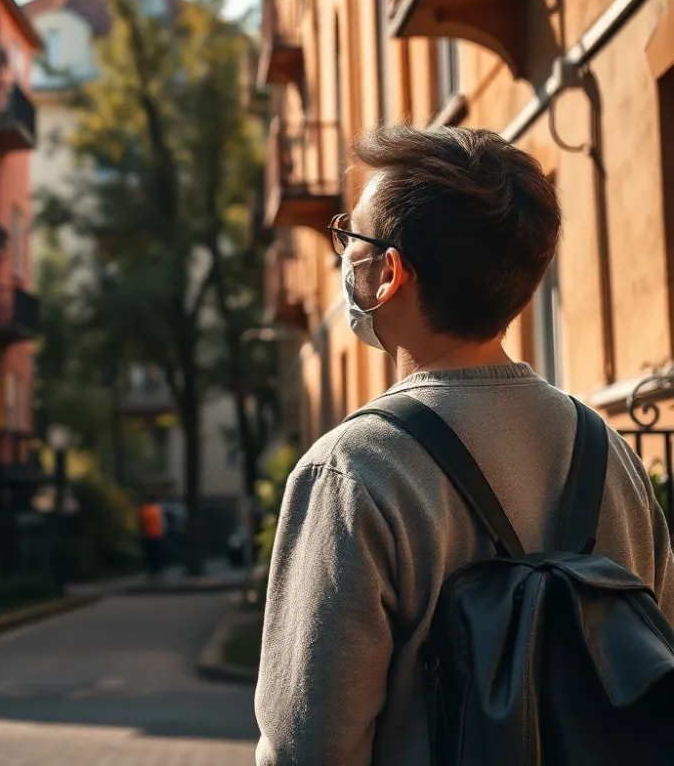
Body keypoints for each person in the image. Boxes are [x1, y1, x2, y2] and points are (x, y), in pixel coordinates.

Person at [255, 124, 674, 766]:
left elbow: (307, 748)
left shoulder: (352, 471)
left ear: (388, 273)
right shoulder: (610, 453)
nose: (343, 254)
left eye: (351, 238)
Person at [138, 495, 165, 580]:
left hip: (148, 535)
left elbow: (141, 523)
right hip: (157, 535)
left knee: (149, 554)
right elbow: (161, 523)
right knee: (157, 554)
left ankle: (151, 570)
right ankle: (157, 570)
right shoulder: (157, 509)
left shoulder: (144, 509)